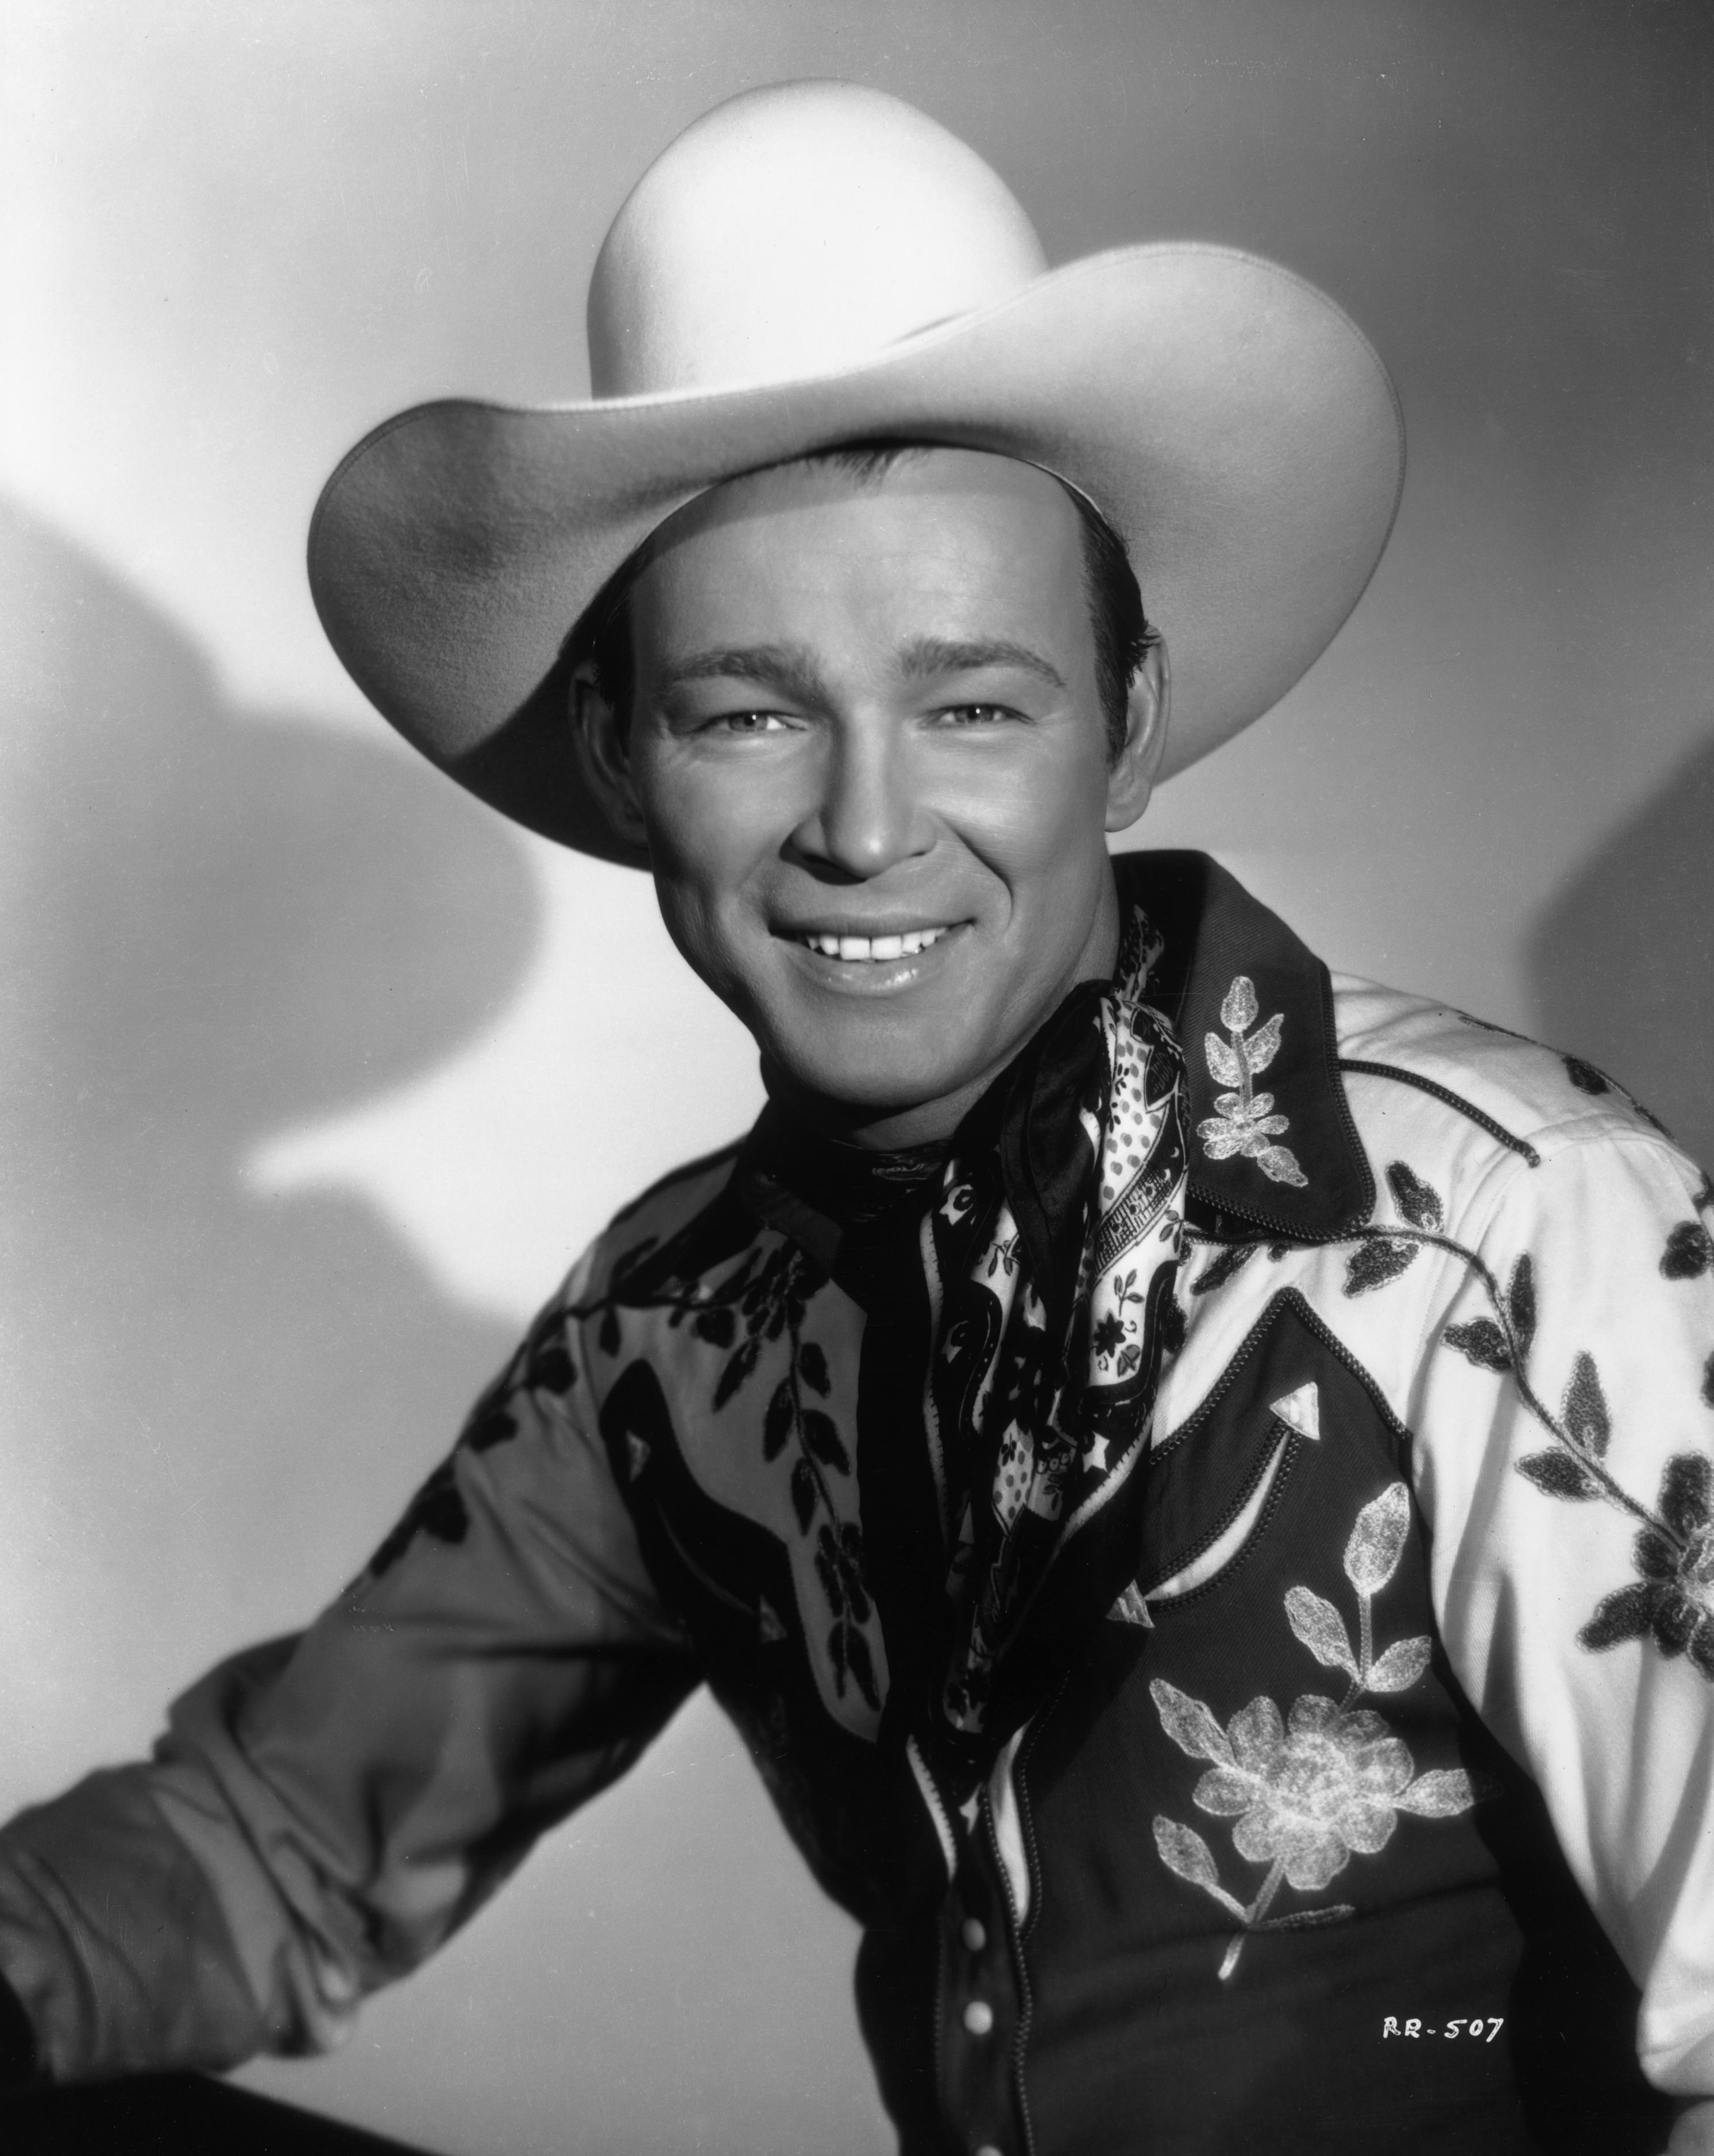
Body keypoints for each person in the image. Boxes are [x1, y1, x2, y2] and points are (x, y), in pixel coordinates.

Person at [2, 78, 1711, 2156]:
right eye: (749, 711)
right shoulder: (671, 1320)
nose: (867, 827)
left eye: (971, 703)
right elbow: (281, 1842)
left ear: (1131, 725)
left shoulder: (1508, 1226)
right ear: (626, 762)